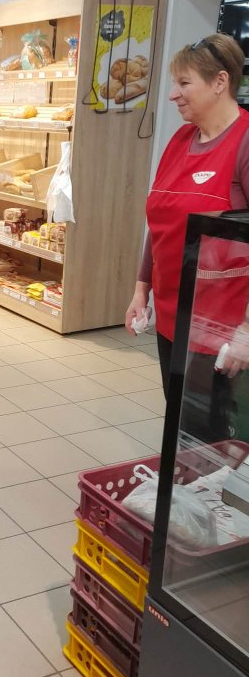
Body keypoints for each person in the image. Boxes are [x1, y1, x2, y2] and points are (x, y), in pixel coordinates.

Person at [126, 34, 249, 439]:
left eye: (184, 83)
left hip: (223, 328)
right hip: (173, 314)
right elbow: (160, 219)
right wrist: (141, 289)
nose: (172, 95)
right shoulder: (181, 140)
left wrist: (248, 331)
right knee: (183, 421)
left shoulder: (245, 142)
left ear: (220, 82)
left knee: (215, 435)